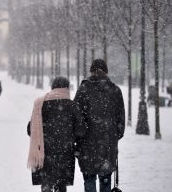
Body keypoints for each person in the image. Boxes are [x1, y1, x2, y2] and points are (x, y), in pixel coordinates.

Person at [74, 59, 125, 192]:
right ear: (106, 72)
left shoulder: (83, 90)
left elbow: (76, 118)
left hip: (87, 146)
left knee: (89, 179)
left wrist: (80, 136)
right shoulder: (115, 91)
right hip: (108, 147)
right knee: (105, 181)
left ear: (91, 71)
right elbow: (121, 123)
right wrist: (112, 137)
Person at [27, 77, 86, 192]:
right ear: (67, 88)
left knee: (46, 184)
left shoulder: (41, 104)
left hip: (44, 153)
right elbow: (81, 130)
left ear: (52, 87)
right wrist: (70, 136)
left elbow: (30, 129)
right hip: (65, 152)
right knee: (61, 184)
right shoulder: (72, 106)